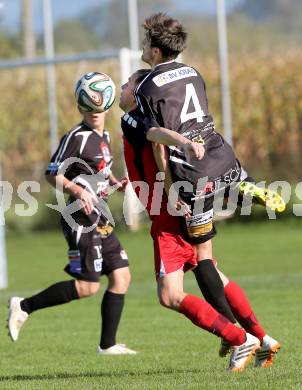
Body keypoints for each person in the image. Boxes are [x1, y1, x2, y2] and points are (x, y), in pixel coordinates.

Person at [120, 14, 281, 369]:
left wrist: (172, 184)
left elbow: (157, 141)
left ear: (156, 49)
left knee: (175, 289)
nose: (121, 88)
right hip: (213, 162)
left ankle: (239, 337)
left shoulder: (141, 101)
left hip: (179, 192)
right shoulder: (193, 73)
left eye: (123, 85)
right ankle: (258, 336)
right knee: (209, 265)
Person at [7, 72, 136, 356]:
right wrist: (79, 192)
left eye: (98, 106)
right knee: (88, 286)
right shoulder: (76, 137)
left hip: (100, 217)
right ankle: (23, 306)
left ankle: (108, 345)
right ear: (80, 107)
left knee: (121, 276)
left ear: (108, 104)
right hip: (79, 217)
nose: (93, 112)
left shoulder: (105, 136)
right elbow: (52, 173)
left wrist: (115, 183)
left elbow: (100, 169)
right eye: (87, 107)